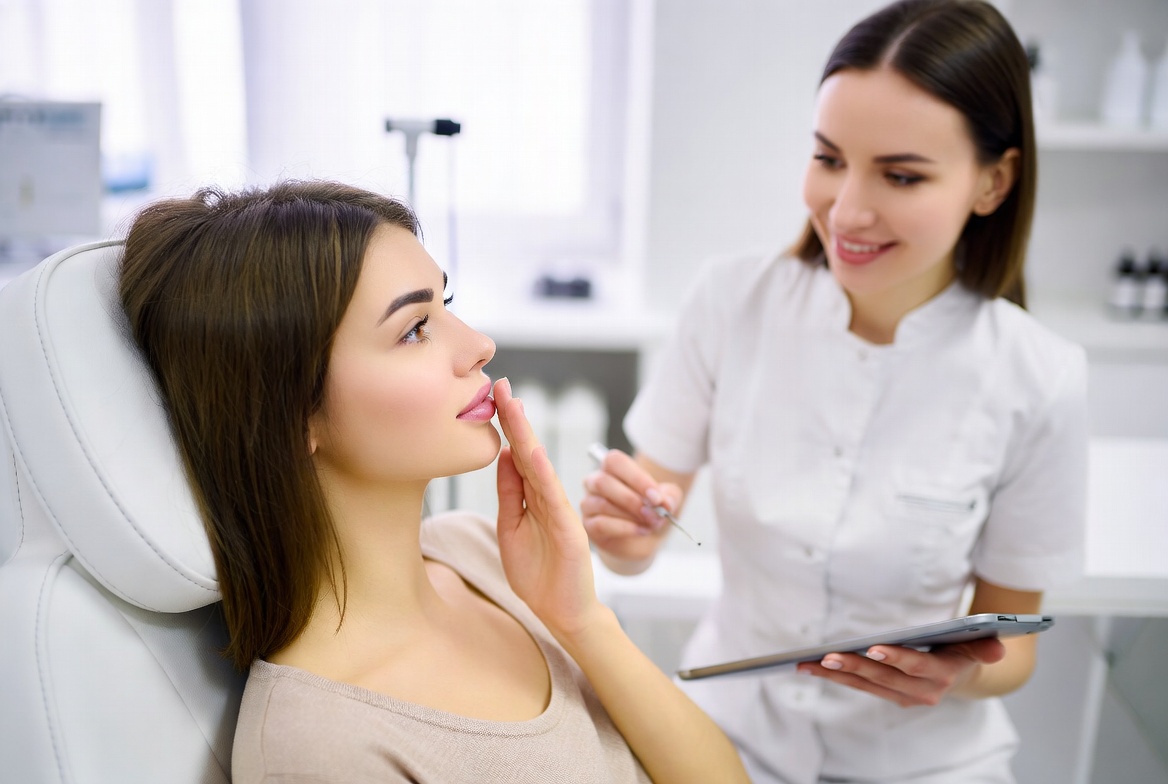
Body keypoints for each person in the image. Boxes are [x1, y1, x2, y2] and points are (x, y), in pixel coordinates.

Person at [581, 1, 1088, 782]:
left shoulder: (1039, 377)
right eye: (828, 158)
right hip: (727, 737)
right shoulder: (729, 303)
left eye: (902, 175)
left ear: (994, 181)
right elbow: (639, 535)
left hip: (923, 762)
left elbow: (1014, 648)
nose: (846, 210)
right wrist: (625, 534)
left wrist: (956, 672)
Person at [117, 180, 749, 783]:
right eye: (414, 329)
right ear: (287, 414)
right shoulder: (319, 751)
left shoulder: (480, 552)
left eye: (445, 305)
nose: (480, 345)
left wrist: (582, 619)